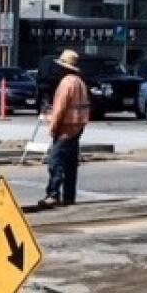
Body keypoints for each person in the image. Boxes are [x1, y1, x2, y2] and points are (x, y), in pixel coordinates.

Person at [40, 49, 90, 208]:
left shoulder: (66, 83)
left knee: (55, 161)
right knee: (70, 165)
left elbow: (60, 109)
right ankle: (69, 196)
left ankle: (53, 194)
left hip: (66, 129)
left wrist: (53, 127)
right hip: (77, 127)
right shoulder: (80, 82)